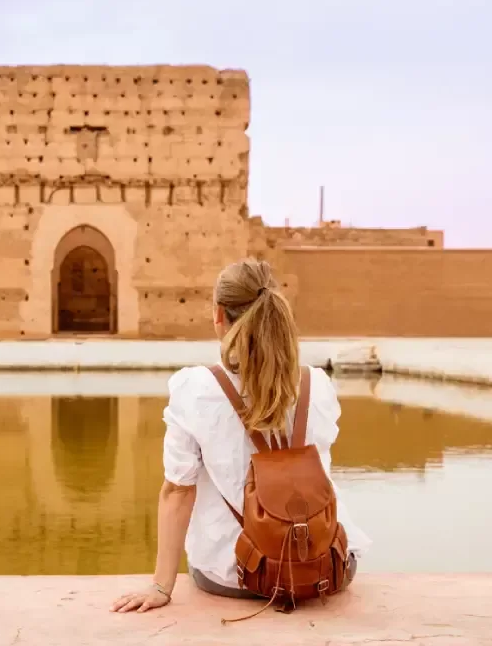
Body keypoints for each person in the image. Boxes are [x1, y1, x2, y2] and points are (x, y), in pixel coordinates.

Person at [112, 258, 372, 613]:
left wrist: (161, 586)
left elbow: (178, 491)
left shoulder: (196, 388)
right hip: (327, 567)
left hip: (235, 573)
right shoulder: (316, 385)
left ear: (219, 315)